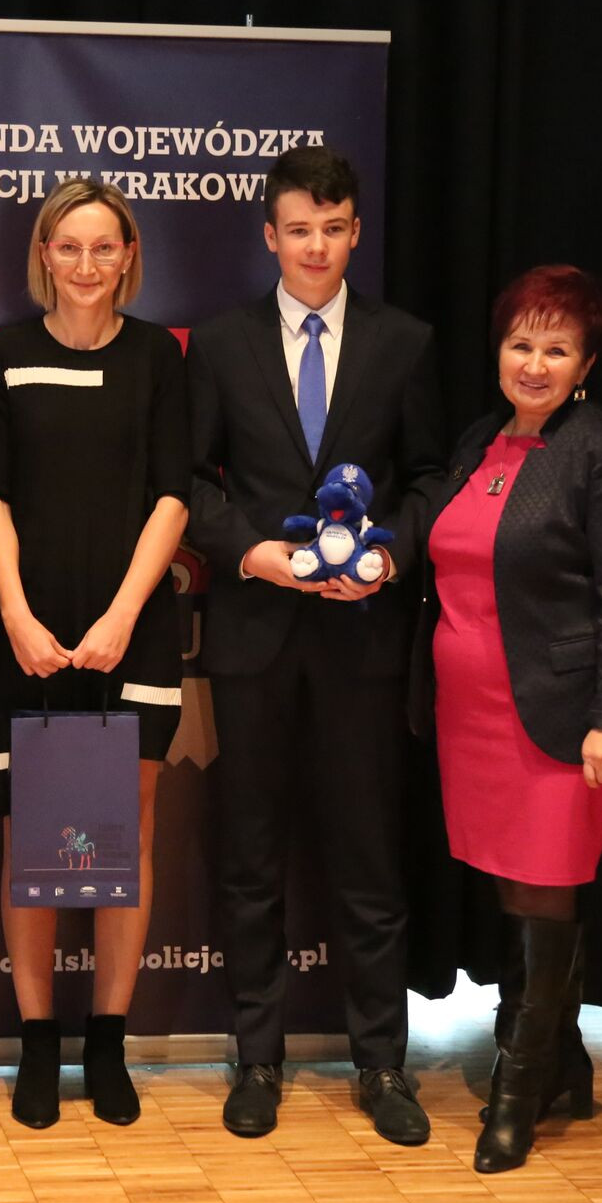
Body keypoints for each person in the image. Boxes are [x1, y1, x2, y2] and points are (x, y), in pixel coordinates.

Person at [186, 145, 445, 1142]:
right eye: (299, 229)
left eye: (333, 229)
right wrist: (249, 554)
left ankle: (382, 1063)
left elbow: (429, 477)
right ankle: (255, 1057)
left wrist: (391, 557)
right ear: (270, 235)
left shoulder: (403, 342)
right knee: (250, 858)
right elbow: (191, 479)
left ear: (355, 231)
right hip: (253, 636)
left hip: (361, 640)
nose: (316, 247)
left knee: (367, 859)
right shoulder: (219, 344)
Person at [412, 264, 602, 1174]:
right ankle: (564, 1061)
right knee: (512, 885)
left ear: (586, 363)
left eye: (557, 348)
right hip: (470, 709)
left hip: (562, 717)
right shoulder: (480, 441)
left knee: (545, 883)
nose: (534, 362)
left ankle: (518, 1090)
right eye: (522, 343)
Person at [0, 179, 189, 1129]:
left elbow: (173, 497)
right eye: (70, 246)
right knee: (30, 833)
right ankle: (37, 1041)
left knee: (123, 833)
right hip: (27, 633)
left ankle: (106, 1040)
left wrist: (122, 616)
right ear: (44, 254)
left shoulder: (158, 356)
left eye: (105, 247)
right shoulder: (5, 354)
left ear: (129, 255)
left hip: (129, 629)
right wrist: (15, 612)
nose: (88, 264)